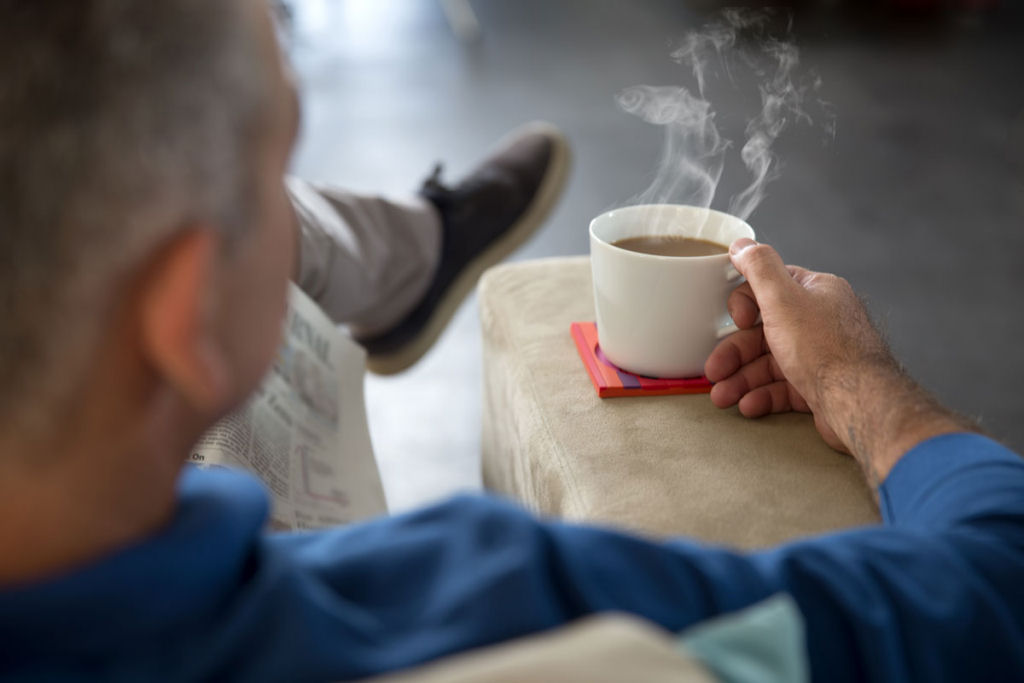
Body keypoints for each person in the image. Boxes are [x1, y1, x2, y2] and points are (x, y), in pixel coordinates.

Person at [0, 2, 1022, 682]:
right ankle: (411, 251)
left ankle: (407, 252)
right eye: (279, 168)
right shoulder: (496, 602)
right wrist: (858, 386)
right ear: (184, 318)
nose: (285, 201)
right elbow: (992, 590)